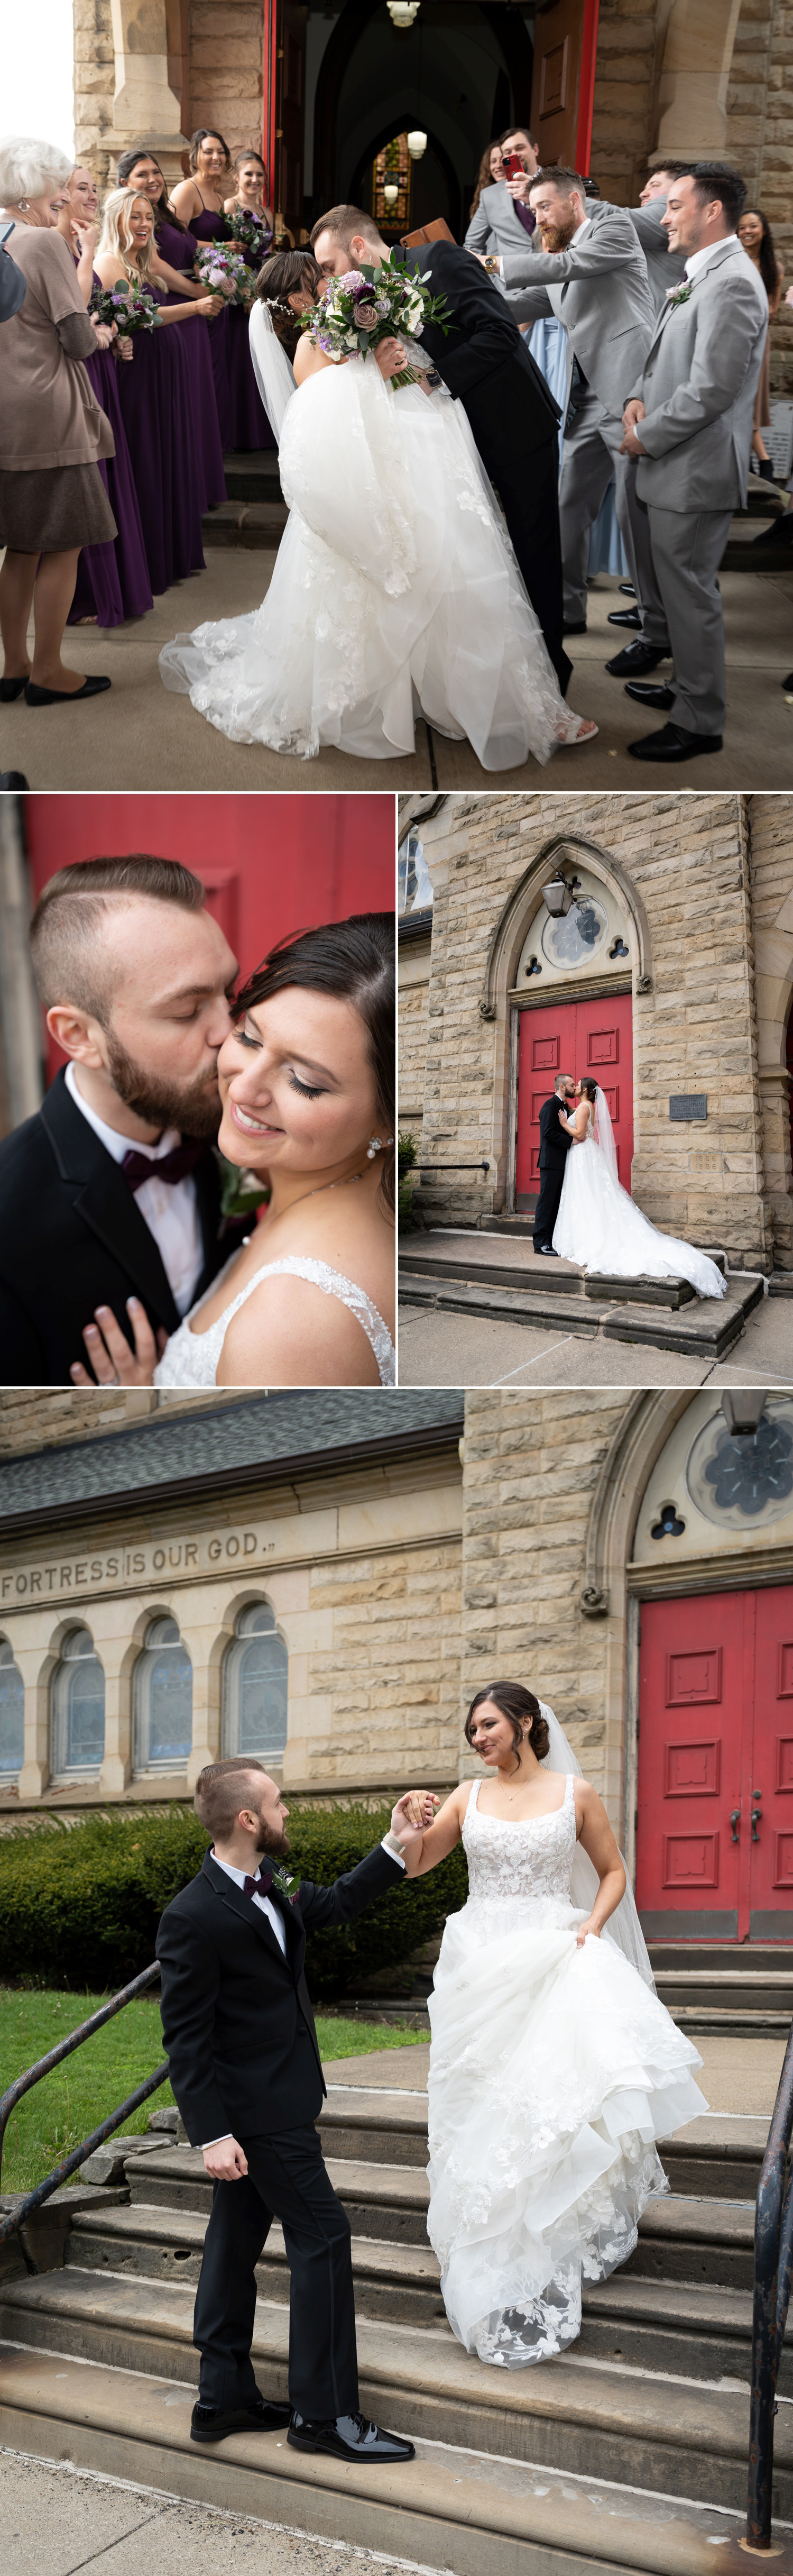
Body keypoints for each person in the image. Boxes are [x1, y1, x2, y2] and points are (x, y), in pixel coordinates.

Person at [159, 204, 597, 765]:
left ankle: (547, 681)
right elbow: (349, 400)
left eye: (328, 263)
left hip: (508, 425)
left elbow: (495, 332)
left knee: (529, 555)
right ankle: (482, 690)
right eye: (316, 273)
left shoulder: (438, 260)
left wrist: (429, 377)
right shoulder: (344, 317)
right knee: (457, 566)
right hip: (438, 450)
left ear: (358, 250)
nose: (325, 277)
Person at [392, 1683, 708, 2367]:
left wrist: (592, 1929)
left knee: (543, 2100)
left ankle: (548, 2232)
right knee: (481, 2103)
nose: (478, 1738)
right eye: (471, 1729)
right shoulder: (465, 1796)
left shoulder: (576, 1793)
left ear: (525, 1722)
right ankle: (483, 2234)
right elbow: (418, 1864)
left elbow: (613, 1872)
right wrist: (403, 1827)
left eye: (488, 1725)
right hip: (480, 1962)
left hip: (554, 1953)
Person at [155, 1753, 423, 2456]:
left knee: (235, 2242)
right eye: (277, 1804)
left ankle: (224, 2398)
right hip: (258, 2112)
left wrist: (393, 1843)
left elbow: (330, 1905)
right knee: (324, 2236)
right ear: (248, 1819)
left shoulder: (268, 1881)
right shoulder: (192, 1915)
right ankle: (324, 2415)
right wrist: (211, 2132)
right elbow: (185, 2039)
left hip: (280, 2095)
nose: (286, 1813)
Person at [69, 916, 398, 1391]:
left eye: (304, 1082)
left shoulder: (295, 1321)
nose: (242, 1088)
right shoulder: (306, 1181)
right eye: (248, 1037)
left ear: (388, 1121)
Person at [0, 855, 241, 1386]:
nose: (231, 1034)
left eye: (229, 993)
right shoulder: (8, 1221)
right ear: (79, 1036)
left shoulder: (235, 1128)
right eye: (185, 1012)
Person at [620, 161, 768, 762]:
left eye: (676, 205)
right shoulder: (701, 273)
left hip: (696, 468)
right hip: (674, 461)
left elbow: (713, 389)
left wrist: (645, 434)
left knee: (691, 595)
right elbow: (665, 358)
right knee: (678, 592)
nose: (664, 216)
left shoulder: (732, 281)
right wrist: (636, 394)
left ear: (712, 212)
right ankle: (686, 687)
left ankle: (701, 721)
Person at [493, 167, 665, 663]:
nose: (538, 217)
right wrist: (463, 298)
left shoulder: (611, 230)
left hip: (631, 391)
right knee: (569, 502)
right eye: (533, 210)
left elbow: (575, 266)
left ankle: (657, 633)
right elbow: (529, 301)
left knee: (636, 514)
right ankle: (567, 609)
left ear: (573, 200)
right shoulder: (557, 256)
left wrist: (493, 263)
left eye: (545, 207)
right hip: (586, 399)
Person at [0, 136, 117, 706]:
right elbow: (74, 339)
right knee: (66, 541)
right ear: (34, 189)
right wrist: (98, 333)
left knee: (21, 547)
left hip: (6, 412)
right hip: (48, 410)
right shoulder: (44, 241)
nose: (63, 194)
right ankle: (48, 670)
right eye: (57, 184)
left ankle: (13, 665)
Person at [95, 189, 217, 595]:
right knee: (147, 456)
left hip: (167, 369)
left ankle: (170, 556)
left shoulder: (141, 261)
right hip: (140, 374)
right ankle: (147, 560)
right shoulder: (110, 262)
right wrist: (194, 308)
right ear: (116, 221)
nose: (145, 224)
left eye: (148, 217)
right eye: (135, 217)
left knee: (169, 454)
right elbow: (141, 316)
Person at [55, 165, 153, 631]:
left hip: (100, 372)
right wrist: (90, 251)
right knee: (88, 487)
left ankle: (108, 587)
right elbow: (71, 315)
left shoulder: (77, 244)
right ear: (59, 193)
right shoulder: (62, 245)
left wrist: (113, 333)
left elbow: (88, 319)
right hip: (75, 380)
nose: (92, 195)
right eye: (82, 188)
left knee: (107, 483)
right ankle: (84, 595)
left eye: (95, 188)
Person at [116, 148, 227, 514]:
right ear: (124, 185)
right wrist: (198, 294)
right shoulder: (136, 228)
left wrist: (224, 264)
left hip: (187, 307)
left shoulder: (164, 213)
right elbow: (158, 264)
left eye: (156, 173)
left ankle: (195, 490)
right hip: (169, 303)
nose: (153, 180)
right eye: (142, 175)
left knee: (193, 401)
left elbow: (191, 247)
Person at [552, 1079, 727, 1295]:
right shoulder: (590, 1107)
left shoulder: (583, 1107)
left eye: (578, 1085)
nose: (575, 1088)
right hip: (586, 1155)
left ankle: (589, 1238)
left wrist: (563, 1124)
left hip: (582, 1156)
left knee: (587, 1196)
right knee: (593, 1197)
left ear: (586, 1090)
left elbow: (579, 1134)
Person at [169, 127, 273, 451]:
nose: (215, 157)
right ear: (195, 156)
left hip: (221, 289)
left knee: (221, 367)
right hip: (194, 288)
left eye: (220, 152)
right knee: (209, 369)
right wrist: (222, 246)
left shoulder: (215, 196)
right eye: (208, 151)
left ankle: (221, 439)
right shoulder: (188, 190)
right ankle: (206, 443)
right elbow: (175, 239)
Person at [737, 206, 783, 479]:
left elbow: (774, 309)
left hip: (757, 337)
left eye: (753, 226)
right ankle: (761, 464)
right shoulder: (732, 259)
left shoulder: (772, 267)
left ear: (764, 230)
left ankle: (759, 463)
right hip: (733, 334)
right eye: (742, 227)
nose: (747, 231)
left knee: (750, 397)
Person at [464, 127, 540, 258]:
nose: (515, 155)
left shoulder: (560, 183)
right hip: (508, 277)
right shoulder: (489, 195)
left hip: (553, 274)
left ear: (535, 149)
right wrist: (490, 276)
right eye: (508, 152)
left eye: (520, 148)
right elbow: (472, 245)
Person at [532, 1073, 575, 1256]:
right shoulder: (550, 1105)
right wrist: (570, 1142)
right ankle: (540, 1244)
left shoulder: (565, 1106)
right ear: (562, 1087)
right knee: (546, 1202)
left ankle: (550, 1241)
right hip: (550, 1162)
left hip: (561, 1161)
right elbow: (548, 1132)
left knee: (556, 1202)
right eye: (572, 1085)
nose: (575, 1088)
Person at [225, 147, 274, 254]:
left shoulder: (267, 214)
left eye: (260, 175)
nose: (255, 180)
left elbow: (269, 253)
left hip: (262, 271)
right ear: (236, 177)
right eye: (249, 174)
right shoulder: (230, 206)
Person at [467, 138, 505, 230]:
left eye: (503, 160)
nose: (498, 166)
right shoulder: (485, 195)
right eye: (493, 161)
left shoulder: (520, 194)